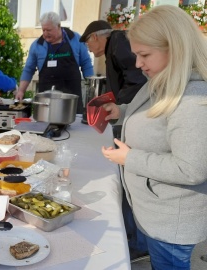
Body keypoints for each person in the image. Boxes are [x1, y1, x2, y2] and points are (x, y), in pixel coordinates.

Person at [101, 5, 207, 270]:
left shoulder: (193, 99)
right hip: (157, 214)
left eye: (144, 54)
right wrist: (121, 112)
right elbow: (151, 113)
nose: (138, 64)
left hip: (172, 223)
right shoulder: (163, 77)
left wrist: (130, 158)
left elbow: (191, 169)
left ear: (175, 48)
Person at [80, 20, 148, 259]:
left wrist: (121, 107)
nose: (88, 48)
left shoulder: (118, 42)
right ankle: (135, 238)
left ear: (98, 37)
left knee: (129, 180)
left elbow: (138, 80)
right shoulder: (114, 48)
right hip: (130, 115)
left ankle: (139, 243)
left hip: (134, 119)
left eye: (88, 41)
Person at [14, 11, 94, 113]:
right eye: (43, 30)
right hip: (46, 102)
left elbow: (86, 64)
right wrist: (21, 91)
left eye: (49, 30)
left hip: (72, 99)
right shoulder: (37, 45)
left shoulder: (75, 39)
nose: (45, 34)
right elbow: (28, 70)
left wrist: (92, 91)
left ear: (59, 26)